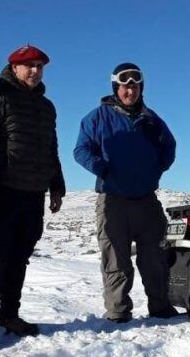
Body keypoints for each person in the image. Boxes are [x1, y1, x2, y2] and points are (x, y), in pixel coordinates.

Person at [0, 44, 65, 350]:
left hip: (33, 193)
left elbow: (51, 149)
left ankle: (9, 314)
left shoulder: (46, 107)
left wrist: (57, 185)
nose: (35, 71)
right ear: (14, 67)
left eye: (39, 66)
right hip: (2, 193)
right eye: (29, 66)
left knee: (20, 257)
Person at [74, 63, 179, 323]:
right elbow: (81, 150)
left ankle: (160, 306)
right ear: (116, 88)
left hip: (146, 200)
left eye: (134, 85)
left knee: (155, 257)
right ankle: (118, 311)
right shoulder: (97, 117)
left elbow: (169, 147)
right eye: (124, 85)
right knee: (115, 260)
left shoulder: (152, 120)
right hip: (113, 200)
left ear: (141, 88)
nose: (129, 90)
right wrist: (101, 168)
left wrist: (154, 171)